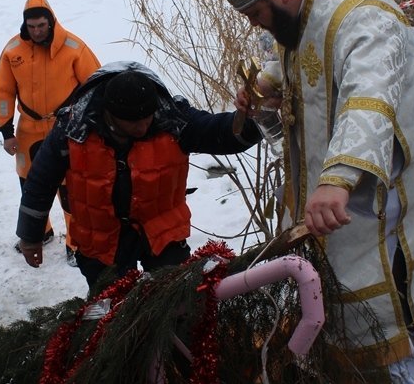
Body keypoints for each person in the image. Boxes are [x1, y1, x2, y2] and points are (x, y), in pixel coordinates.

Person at [191, 0, 414, 384]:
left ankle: (412, 360)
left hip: (389, 174)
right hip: (340, 183)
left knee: (388, 267)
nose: (256, 25)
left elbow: (368, 96)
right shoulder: (302, 8)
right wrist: (268, 91)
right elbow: (298, 66)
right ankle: (374, 359)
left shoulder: (364, 16)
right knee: (342, 266)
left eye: (255, 14)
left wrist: (337, 179)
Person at [16, 62, 261, 291]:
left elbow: (221, 133)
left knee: (175, 298)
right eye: (134, 123)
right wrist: (31, 236)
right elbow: (41, 181)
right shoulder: (73, 127)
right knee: (111, 310)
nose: (143, 126)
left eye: (148, 118)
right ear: (110, 114)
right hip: (101, 238)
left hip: (161, 229)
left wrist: (255, 118)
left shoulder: (172, 117)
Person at [0, 0, 100, 256]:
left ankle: (76, 242)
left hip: (66, 128)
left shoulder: (74, 48)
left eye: (41, 25)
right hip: (28, 129)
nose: (37, 31)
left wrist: (92, 126)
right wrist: (6, 131)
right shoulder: (13, 51)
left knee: (70, 188)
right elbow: (4, 92)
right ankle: (39, 232)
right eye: (31, 26)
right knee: (30, 183)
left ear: (51, 22)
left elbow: (97, 87)